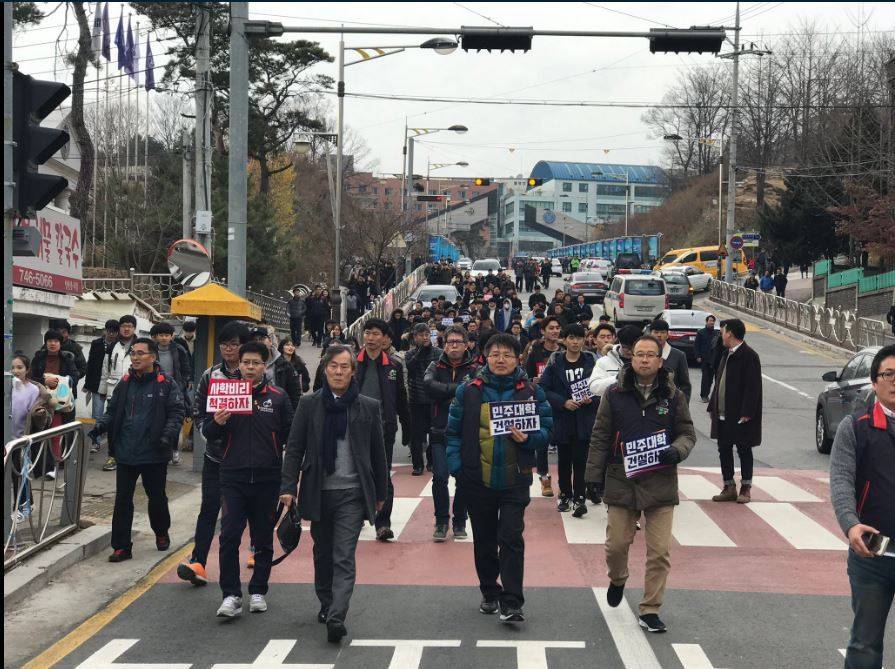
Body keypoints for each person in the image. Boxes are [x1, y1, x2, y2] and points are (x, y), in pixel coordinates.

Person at [585, 335, 696, 633]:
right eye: (639, 354)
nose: (644, 359)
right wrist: (593, 476)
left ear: (660, 361)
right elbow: (600, 436)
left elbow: (687, 434)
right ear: (630, 358)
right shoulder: (614, 393)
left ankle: (650, 609)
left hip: (661, 483)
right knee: (616, 545)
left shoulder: (673, 396)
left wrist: (677, 450)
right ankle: (618, 578)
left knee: (659, 552)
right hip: (622, 480)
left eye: (650, 355)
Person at [280, 344, 388, 643]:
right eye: (333, 366)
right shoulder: (309, 404)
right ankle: (327, 602)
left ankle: (337, 616)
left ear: (353, 371)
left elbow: (378, 454)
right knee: (323, 552)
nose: (338, 372)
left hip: (352, 494)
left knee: (343, 555)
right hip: (318, 491)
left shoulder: (367, 406)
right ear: (325, 369)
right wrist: (288, 487)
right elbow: (295, 448)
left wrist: (381, 492)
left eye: (344, 367)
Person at [446, 333, 553, 623]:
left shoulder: (531, 391)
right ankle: (489, 590)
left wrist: (529, 439)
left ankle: (512, 601)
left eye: (507, 354)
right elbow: (452, 433)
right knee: (484, 540)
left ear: (518, 358)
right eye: (495, 354)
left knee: (511, 538)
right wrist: (458, 468)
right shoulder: (469, 391)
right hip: (476, 480)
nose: (501, 360)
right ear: (485, 357)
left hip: (515, 480)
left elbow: (547, 430)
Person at [205, 341, 294, 618]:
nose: (250, 368)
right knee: (229, 536)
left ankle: (258, 590)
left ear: (265, 366)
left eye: (256, 363)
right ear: (239, 365)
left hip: (268, 477)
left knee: (262, 537)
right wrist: (217, 422)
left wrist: (288, 481)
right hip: (233, 476)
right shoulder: (225, 393)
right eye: (246, 363)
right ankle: (231, 595)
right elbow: (209, 433)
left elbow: (291, 437)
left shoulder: (278, 397)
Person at [89, 338, 185, 562]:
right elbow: (112, 411)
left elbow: (176, 413)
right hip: (125, 452)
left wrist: (167, 436)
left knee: (157, 498)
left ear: (153, 357)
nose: (135, 357)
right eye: (133, 353)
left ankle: (161, 532)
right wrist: (100, 426)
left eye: (141, 353)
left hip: (154, 453)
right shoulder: (125, 382)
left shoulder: (166, 383)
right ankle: (122, 547)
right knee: (122, 500)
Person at [830, 345, 895, 669]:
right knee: (865, 644)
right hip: (872, 554)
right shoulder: (855, 427)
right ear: (874, 381)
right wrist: (850, 524)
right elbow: (841, 480)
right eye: (889, 374)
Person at [177, 322, 252, 586]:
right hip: (216, 457)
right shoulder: (210, 375)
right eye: (224, 344)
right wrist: (210, 429)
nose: (229, 349)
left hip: (247, 459)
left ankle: (256, 550)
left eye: (234, 344)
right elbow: (199, 412)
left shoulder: (254, 375)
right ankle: (198, 561)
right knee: (209, 508)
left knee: (247, 510)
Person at [355, 318, 410, 541]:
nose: (371, 338)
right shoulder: (351, 363)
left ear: (385, 338)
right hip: (354, 428)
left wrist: (407, 426)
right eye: (367, 333)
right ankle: (356, 515)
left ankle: (383, 523)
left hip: (383, 428)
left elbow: (401, 398)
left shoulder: (394, 366)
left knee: (383, 474)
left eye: (376, 334)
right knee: (355, 472)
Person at [538, 324, 598, 517]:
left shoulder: (592, 362)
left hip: (584, 418)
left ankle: (580, 497)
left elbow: (601, 387)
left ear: (584, 340)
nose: (575, 342)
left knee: (581, 459)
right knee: (564, 460)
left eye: (579, 338)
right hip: (563, 418)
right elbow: (543, 389)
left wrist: (591, 398)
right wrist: (563, 402)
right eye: (571, 338)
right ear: (564, 340)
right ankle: (565, 495)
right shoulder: (555, 363)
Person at [424, 325, 476, 541]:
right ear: (444, 345)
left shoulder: (475, 368)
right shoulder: (434, 365)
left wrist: (445, 391)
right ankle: (441, 521)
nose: (454, 345)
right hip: (439, 429)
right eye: (450, 342)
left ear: (466, 345)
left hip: (466, 432)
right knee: (439, 477)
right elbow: (429, 386)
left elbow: (476, 392)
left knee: (463, 479)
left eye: (458, 342)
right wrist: (459, 389)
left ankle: (460, 521)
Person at [708, 319, 763, 504]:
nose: (721, 335)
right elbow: (719, 381)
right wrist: (712, 405)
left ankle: (745, 488)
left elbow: (753, 387)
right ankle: (728, 486)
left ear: (730, 333)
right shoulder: (726, 354)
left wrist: (747, 411)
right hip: (722, 412)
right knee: (723, 448)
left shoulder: (749, 356)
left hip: (740, 414)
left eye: (722, 332)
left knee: (743, 449)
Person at [522, 315, 564, 498]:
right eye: (551, 328)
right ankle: (544, 477)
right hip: (541, 402)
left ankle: (565, 483)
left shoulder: (564, 351)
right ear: (543, 331)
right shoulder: (535, 351)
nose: (555, 331)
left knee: (564, 442)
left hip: (562, 403)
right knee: (542, 442)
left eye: (557, 328)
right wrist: (535, 382)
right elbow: (526, 376)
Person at [30, 329, 80, 477]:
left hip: (59, 403)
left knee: (55, 433)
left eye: (56, 341)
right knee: (39, 433)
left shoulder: (67, 358)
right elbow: (31, 378)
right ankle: (39, 465)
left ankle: (54, 465)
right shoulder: (38, 358)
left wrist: (61, 381)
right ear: (45, 342)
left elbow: (75, 377)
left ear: (60, 343)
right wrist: (44, 381)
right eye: (50, 340)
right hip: (41, 401)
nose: (53, 343)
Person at [10, 355, 52, 523]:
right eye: (13, 368)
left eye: (19, 367)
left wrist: (39, 414)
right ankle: (25, 504)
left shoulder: (33, 390)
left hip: (21, 438)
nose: (15, 371)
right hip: (7, 437)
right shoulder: (8, 385)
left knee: (19, 474)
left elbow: (37, 412)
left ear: (27, 370)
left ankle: (24, 507)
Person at [150, 322, 193, 466]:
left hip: (175, 389)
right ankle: (161, 450)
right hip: (155, 389)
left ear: (172, 336)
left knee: (174, 420)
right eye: (161, 335)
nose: (164, 338)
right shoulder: (151, 350)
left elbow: (186, 368)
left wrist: (183, 382)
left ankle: (174, 450)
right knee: (157, 420)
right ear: (156, 336)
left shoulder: (179, 349)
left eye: (166, 335)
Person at [99, 315, 138, 471]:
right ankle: (113, 456)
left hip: (135, 392)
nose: (126, 329)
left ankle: (131, 455)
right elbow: (105, 370)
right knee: (113, 425)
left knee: (133, 424)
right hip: (114, 392)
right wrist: (103, 390)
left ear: (134, 328)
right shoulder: (112, 345)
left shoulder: (140, 346)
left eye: (130, 326)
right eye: (123, 326)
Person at [405, 323, 442, 476]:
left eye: (427, 334)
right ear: (415, 338)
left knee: (434, 434)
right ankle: (417, 465)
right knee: (416, 435)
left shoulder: (439, 353)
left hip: (434, 400)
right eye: (421, 335)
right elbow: (411, 369)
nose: (425, 337)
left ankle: (431, 462)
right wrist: (420, 351)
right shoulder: (410, 354)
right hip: (416, 400)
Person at [83, 319, 120, 453]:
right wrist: (87, 383)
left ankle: (114, 442)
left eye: (114, 332)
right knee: (97, 414)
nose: (111, 334)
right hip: (98, 383)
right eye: (109, 331)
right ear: (105, 330)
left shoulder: (120, 345)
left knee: (113, 414)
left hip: (115, 385)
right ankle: (96, 441)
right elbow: (91, 364)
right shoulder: (96, 343)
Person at [251, 327, 301, 410]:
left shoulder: (285, 365)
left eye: (262, 339)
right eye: (255, 340)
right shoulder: (246, 366)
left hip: (279, 411)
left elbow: (295, 394)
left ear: (270, 341)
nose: (258, 342)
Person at [587, 325, 641, 399]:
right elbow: (594, 387)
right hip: (613, 404)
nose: (629, 351)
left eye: (633, 348)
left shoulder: (646, 360)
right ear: (620, 342)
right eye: (626, 347)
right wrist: (618, 378)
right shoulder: (604, 361)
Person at [648, 319, 692, 402]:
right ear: (650, 334)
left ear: (667, 335)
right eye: (656, 332)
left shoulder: (679, 355)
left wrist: (683, 404)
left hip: (670, 403)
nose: (659, 335)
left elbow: (685, 385)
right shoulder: (644, 354)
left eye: (662, 332)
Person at [694, 315, 719, 403]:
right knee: (705, 378)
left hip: (713, 360)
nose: (711, 322)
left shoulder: (716, 333)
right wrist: (698, 356)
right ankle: (704, 396)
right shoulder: (701, 332)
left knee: (711, 379)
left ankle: (710, 395)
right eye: (710, 320)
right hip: (705, 359)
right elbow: (696, 345)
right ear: (706, 321)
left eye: (713, 321)